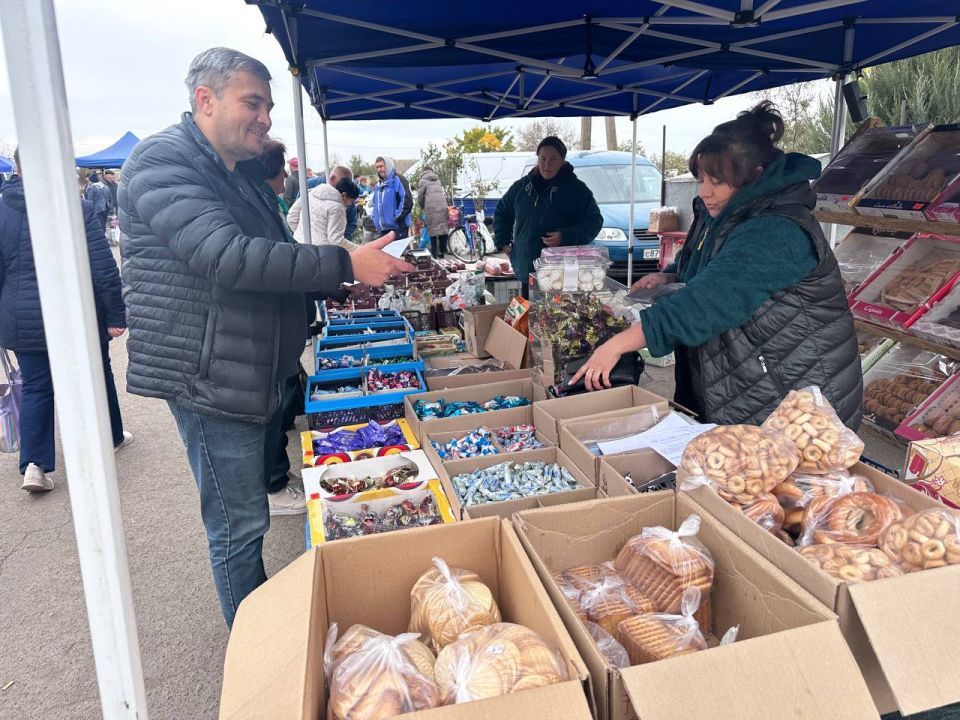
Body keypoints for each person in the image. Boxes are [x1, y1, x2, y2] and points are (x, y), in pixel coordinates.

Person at [119, 47, 413, 626]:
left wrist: (330, 286)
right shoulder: (162, 161)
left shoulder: (239, 172)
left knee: (247, 516)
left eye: (270, 107)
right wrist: (344, 264)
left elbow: (274, 260)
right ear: (205, 99)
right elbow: (227, 258)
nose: (266, 118)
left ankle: (263, 634)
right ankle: (259, 659)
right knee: (238, 526)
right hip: (210, 376)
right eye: (253, 103)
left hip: (248, 366)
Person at [570, 102, 862, 429]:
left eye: (717, 182)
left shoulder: (776, 231)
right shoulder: (724, 213)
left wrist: (616, 346)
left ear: (757, 175)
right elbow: (704, 266)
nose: (705, 192)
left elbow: (707, 301)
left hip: (792, 398)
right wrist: (670, 275)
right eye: (701, 179)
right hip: (742, 380)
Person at [0, 149, 132, 493]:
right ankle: (110, 436)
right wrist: (116, 314)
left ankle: (34, 464)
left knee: (37, 387)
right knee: (97, 373)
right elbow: (101, 265)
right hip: (75, 311)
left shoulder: (2, 209)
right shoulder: (76, 207)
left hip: (24, 315)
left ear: (17, 167)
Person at [493, 136, 602, 298]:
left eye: (553, 159)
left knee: (554, 319)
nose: (546, 164)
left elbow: (594, 222)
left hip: (560, 274)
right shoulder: (522, 187)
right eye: (542, 158)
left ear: (562, 161)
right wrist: (503, 243)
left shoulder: (577, 190)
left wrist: (565, 236)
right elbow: (502, 211)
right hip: (526, 269)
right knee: (527, 318)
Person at [288, 165, 358, 245]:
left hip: (313, 247)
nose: (345, 187)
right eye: (343, 183)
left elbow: (351, 222)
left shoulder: (311, 192)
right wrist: (306, 234)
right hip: (321, 249)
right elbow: (294, 216)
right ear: (332, 179)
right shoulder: (308, 186)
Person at [372, 156, 412, 238]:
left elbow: (407, 201)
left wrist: (397, 217)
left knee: (398, 251)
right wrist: (375, 219)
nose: (379, 169)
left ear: (388, 165)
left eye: (381, 166)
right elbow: (375, 203)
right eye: (377, 167)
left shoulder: (399, 180)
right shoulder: (378, 185)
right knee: (384, 251)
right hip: (383, 230)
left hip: (398, 228)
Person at [417, 165, 449, 258]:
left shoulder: (422, 181)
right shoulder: (437, 181)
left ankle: (434, 255)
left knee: (432, 231)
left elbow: (420, 198)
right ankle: (442, 252)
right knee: (443, 229)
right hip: (443, 206)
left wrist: (423, 207)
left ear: (423, 172)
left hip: (431, 208)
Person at [259, 137, 290, 215]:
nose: (286, 175)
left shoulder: (266, 201)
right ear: (273, 171)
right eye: (283, 170)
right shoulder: (265, 208)